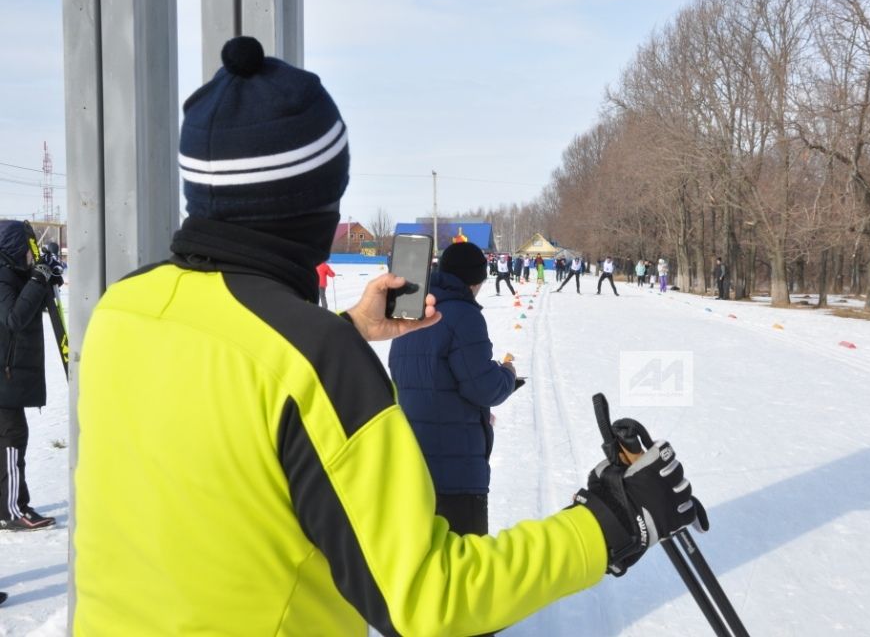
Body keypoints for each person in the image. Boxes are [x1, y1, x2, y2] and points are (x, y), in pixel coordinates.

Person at [74, 37, 707, 636]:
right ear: (317, 201)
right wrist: (608, 523)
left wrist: (343, 329)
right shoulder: (316, 364)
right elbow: (429, 597)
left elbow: (228, 402)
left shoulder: (123, 310)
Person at [388, 242, 515, 551]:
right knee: (465, 565)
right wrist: (508, 374)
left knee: (424, 560)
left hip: (413, 463)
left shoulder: (412, 311)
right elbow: (484, 386)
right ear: (475, 282)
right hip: (456, 469)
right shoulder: (463, 315)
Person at [0, 220, 60, 532]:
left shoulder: (14, 274)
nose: (29, 255)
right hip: (3, 379)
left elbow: (32, 302)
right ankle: (12, 510)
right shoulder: (2, 277)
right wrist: (38, 280)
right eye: (26, 249)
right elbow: (13, 318)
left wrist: (47, 278)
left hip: (8, 377)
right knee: (11, 441)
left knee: (11, 441)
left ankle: (11, 506)